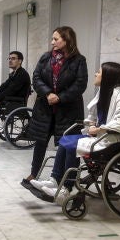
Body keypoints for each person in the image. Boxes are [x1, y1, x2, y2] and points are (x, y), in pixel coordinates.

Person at [30, 62, 120, 204]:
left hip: (115, 140)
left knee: (73, 145)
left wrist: (100, 129)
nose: (96, 74)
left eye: (99, 72)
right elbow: (94, 116)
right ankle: (55, 180)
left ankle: (66, 189)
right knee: (66, 140)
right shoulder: (105, 91)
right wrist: (91, 124)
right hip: (102, 136)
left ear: (108, 77)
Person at [22, 26, 88, 186]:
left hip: (68, 110)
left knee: (66, 145)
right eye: (52, 39)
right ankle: (34, 173)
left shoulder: (79, 60)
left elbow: (80, 84)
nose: (52, 42)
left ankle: (64, 180)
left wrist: (60, 97)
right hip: (45, 108)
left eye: (56, 39)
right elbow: (36, 77)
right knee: (40, 142)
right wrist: (48, 93)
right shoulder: (46, 58)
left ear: (67, 40)